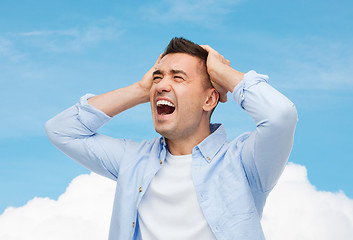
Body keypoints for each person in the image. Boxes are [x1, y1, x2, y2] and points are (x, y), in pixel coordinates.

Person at [45, 37, 298, 240]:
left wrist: (223, 73)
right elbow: (61, 130)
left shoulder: (244, 162)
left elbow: (280, 116)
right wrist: (139, 90)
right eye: (158, 77)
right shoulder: (132, 161)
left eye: (178, 77)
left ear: (209, 99)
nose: (161, 86)